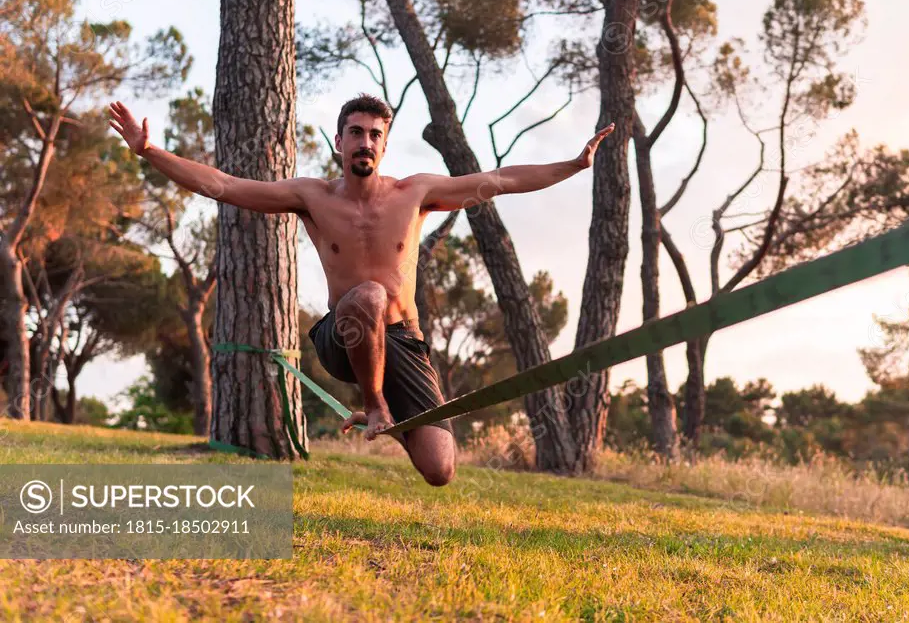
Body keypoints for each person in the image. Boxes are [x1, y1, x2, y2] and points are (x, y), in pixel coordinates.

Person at [108, 93, 613, 486]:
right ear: (339, 140)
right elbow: (225, 185)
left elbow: (499, 179)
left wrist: (572, 166)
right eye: (355, 132)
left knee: (440, 470)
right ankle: (374, 405)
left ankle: (386, 410)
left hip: (404, 342)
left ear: (385, 144)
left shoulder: (415, 193)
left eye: (375, 134)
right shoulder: (312, 196)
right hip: (343, 335)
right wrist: (150, 151)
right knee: (369, 295)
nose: (365, 141)